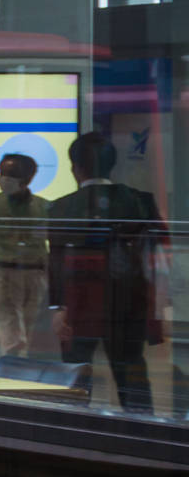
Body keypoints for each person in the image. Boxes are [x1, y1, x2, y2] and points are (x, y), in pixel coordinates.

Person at [51, 133, 164, 415]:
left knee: (75, 375)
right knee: (131, 374)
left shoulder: (61, 207)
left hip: (80, 306)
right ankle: (142, 436)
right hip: (130, 300)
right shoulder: (140, 201)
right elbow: (161, 250)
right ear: (112, 165)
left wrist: (57, 306)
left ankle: (71, 434)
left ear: (75, 167)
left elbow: (55, 261)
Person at [0, 150, 52, 361]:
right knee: (12, 334)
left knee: (25, 330)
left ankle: (9, 373)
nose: (3, 180)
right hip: (1, 272)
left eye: (10, 175)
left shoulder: (44, 207)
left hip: (35, 273)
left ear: (27, 179)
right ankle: (10, 379)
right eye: (1, 174)